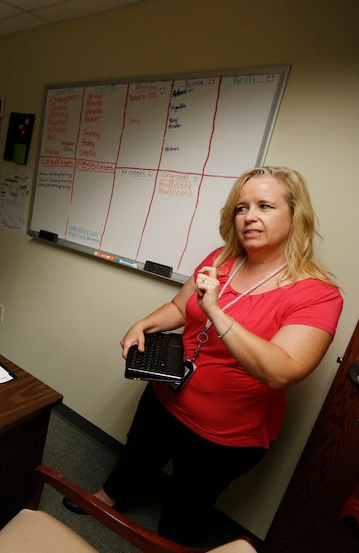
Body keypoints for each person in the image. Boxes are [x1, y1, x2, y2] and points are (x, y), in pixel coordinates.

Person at [63, 166, 343, 546]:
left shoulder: (317, 294)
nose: (250, 217)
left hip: (226, 435)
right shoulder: (222, 258)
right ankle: (108, 498)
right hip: (168, 393)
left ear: (296, 216)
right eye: (242, 208)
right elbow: (181, 308)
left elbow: (282, 370)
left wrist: (216, 310)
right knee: (139, 454)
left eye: (265, 206)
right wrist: (144, 324)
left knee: (184, 511)